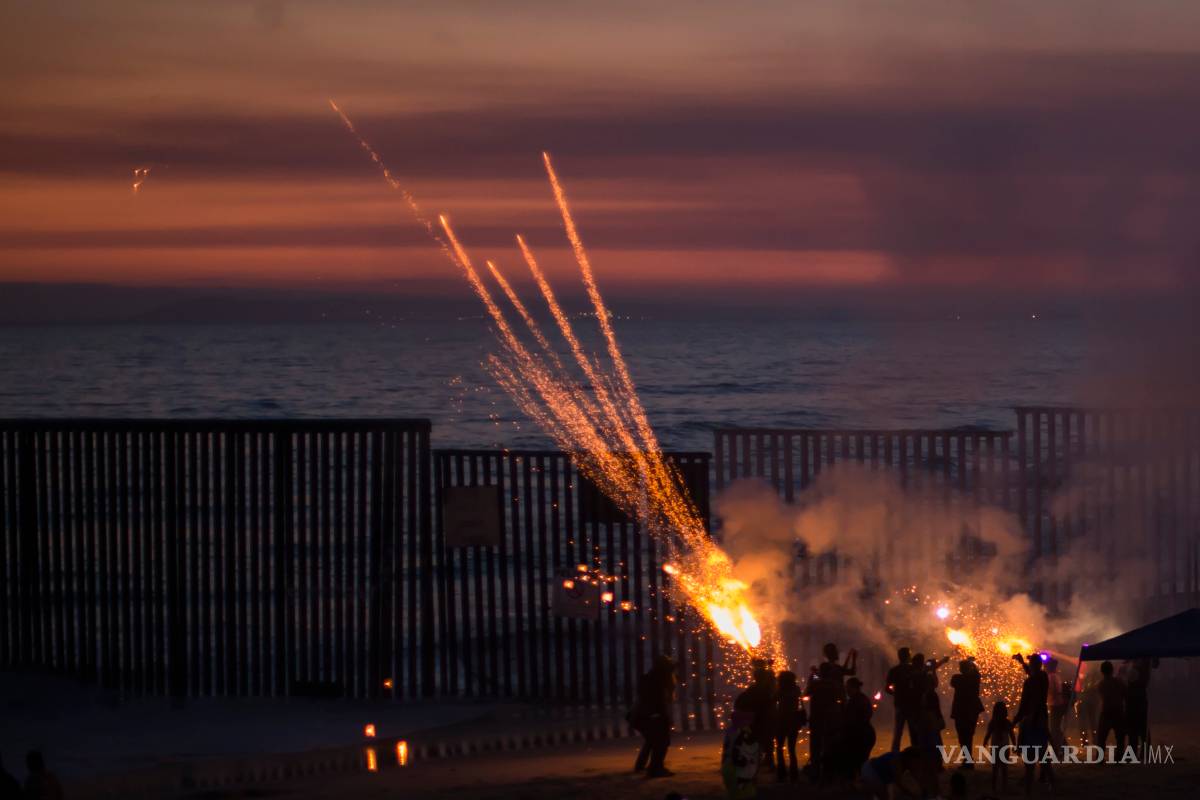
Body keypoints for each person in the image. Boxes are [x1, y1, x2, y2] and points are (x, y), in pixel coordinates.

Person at [1012, 654, 1054, 796]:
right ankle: (1049, 783)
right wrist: (1023, 662)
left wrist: (1016, 719)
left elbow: (1026, 703)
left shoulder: (1032, 681)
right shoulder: (1042, 677)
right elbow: (1033, 675)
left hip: (1033, 721)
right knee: (1042, 755)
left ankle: (1030, 788)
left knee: (1032, 757)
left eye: (1031, 663)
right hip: (1038, 718)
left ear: (1034, 665)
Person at [631, 654, 677, 778]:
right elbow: (655, 702)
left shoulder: (652, 678)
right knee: (661, 742)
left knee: (652, 741)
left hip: (643, 716)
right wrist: (661, 716)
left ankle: (642, 767)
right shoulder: (656, 680)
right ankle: (655, 769)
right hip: (648, 716)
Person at [733, 662, 776, 770]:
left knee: (758, 740)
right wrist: (769, 667)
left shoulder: (754, 689)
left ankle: (760, 761)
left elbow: (741, 702)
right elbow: (772, 679)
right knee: (767, 740)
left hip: (758, 719)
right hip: (766, 718)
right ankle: (768, 760)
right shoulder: (768, 688)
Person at [839, 676, 876, 780]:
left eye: (848, 687)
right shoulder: (862, 698)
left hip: (861, 735)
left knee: (856, 760)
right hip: (866, 734)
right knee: (861, 761)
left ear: (853, 687)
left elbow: (850, 719)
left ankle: (857, 781)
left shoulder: (855, 701)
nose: (846, 690)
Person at [950, 658, 984, 766]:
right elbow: (977, 673)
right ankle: (968, 759)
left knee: (962, 736)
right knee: (968, 735)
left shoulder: (957, 678)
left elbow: (952, 683)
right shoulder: (974, 678)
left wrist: (970, 664)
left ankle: (967, 759)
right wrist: (972, 664)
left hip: (961, 710)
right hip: (972, 709)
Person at [773, 670, 806, 782]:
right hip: (793, 721)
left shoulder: (780, 690)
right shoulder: (796, 689)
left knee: (779, 747)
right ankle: (794, 773)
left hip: (781, 721)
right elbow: (800, 703)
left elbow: (773, 700)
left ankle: (781, 773)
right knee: (792, 749)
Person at [859, 746, 923, 800]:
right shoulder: (897, 759)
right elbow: (898, 782)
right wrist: (912, 795)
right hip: (871, 771)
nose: (916, 765)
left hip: (872, 771)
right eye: (916, 762)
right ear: (910, 758)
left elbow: (915, 776)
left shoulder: (905, 764)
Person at [886, 647, 918, 751]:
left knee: (898, 733)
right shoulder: (913, 669)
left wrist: (896, 694)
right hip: (912, 705)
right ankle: (916, 756)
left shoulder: (894, 670)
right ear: (908, 656)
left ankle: (894, 757)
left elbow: (887, 688)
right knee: (914, 732)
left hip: (899, 704)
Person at [983, 701, 1016, 795]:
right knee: (1003, 768)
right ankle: (1003, 787)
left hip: (996, 748)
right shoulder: (1006, 722)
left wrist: (985, 741)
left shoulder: (993, 722)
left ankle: (995, 787)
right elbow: (1012, 735)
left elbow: (988, 734)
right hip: (1003, 748)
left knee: (996, 769)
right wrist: (1014, 745)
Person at [1125, 657, 1156, 751]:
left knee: (1135, 726)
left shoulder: (1140, 668)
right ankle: (1142, 750)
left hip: (1135, 698)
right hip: (1139, 697)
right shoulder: (1143, 667)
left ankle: (1136, 750)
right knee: (1141, 726)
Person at [1095, 660, 1126, 751]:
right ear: (1112, 670)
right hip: (1118, 710)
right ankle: (1119, 757)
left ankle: (1099, 758)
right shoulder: (1119, 682)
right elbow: (1125, 693)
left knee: (1101, 737)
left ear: (1102, 671)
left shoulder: (1100, 684)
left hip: (1106, 711)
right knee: (1120, 736)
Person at [1045, 657, 1070, 754]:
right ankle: (1064, 748)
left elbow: (1054, 691)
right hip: (1057, 704)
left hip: (1056, 705)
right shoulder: (1055, 676)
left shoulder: (1051, 676)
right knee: (1056, 728)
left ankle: (1062, 749)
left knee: (1054, 728)